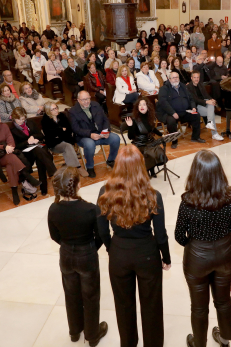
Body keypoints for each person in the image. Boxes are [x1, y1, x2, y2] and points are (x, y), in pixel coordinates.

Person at [97, 145, 170, 347]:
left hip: (119, 254)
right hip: (147, 254)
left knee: (123, 306)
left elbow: (102, 230)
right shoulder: (153, 195)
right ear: (141, 166)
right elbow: (161, 234)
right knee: (152, 306)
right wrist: (166, 257)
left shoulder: (105, 192)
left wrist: (112, 248)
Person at [175, 150, 231, 347]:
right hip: (225, 253)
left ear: (195, 173)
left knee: (199, 307)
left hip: (197, 257)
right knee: (223, 300)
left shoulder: (188, 201)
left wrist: (193, 245)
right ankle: (225, 338)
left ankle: (199, 343)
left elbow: (179, 235)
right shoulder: (230, 197)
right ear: (219, 172)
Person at [47, 167, 108, 346]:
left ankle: (74, 332)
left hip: (65, 255)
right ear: (78, 185)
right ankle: (92, 335)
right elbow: (101, 236)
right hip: (87, 255)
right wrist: (90, 248)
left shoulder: (53, 208)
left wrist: (68, 246)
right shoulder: (90, 209)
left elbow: (54, 236)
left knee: (71, 294)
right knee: (91, 296)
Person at [0, 108, 41, 205]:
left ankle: (14, 192)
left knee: (10, 164)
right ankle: (27, 176)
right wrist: (4, 147)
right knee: (12, 158)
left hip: (9, 153)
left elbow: (11, 140)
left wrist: (9, 147)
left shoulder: (4, 126)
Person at [69, 91, 120, 178]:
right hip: (84, 137)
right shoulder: (73, 111)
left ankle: (111, 160)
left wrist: (106, 131)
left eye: (87, 99)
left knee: (116, 138)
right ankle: (90, 166)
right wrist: (90, 134)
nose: (86, 101)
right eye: (83, 100)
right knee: (89, 144)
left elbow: (105, 119)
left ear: (90, 97)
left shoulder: (96, 105)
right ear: (78, 100)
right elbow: (75, 129)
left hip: (100, 133)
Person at [9, 107, 57, 196]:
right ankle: (53, 172)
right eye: (19, 120)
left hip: (38, 147)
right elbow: (15, 146)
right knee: (40, 152)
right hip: (26, 152)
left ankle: (44, 186)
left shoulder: (30, 122)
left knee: (40, 157)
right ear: (14, 118)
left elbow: (41, 135)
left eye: (23, 119)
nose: (21, 121)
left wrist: (34, 137)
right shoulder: (12, 129)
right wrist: (27, 142)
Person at [156, 71, 206, 149]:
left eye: (177, 77)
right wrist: (172, 112)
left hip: (184, 111)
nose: (176, 79)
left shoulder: (183, 86)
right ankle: (174, 141)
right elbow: (163, 102)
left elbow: (191, 98)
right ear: (169, 79)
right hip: (170, 113)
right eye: (173, 78)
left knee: (196, 115)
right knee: (171, 121)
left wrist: (193, 107)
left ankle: (195, 137)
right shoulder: (164, 88)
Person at [41, 102, 88, 177]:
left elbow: (69, 130)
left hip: (66, 140)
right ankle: (78, 167)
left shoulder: (62, 116)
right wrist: (61, 130)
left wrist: (58, 132)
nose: (56, 110)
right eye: (53, 109)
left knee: (67, 147)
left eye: (56, 108)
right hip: (54, 144)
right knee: (67, 146)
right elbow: (49, 134)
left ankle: (71, 170)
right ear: (48, 111)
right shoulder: (45, 120)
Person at [125, 98, 165, 178]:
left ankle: (152, 170)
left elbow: (153, 129)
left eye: (144, 104)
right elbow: (130, 137)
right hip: (139, 143)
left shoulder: (149, 117)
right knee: (149, 153)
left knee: (159, 151)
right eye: (139, 105)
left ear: (148, 107)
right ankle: (147, 171)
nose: (141, 106)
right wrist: (130, 126)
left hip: (149, 140)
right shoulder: (135, 119)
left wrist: (162, 134)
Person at [186, 71, 223, 141]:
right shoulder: (188, 87)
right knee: (211, 112)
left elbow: (206, 95)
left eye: (198, 77)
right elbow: (195, 99)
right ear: (191, 78)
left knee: (211, 105)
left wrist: (211, 99)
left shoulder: (200, 85)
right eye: (195, 77)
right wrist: (207, 101)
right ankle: (214, 133)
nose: (196, 79)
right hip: (195, 106)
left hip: (204, 104)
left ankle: (209, 123)